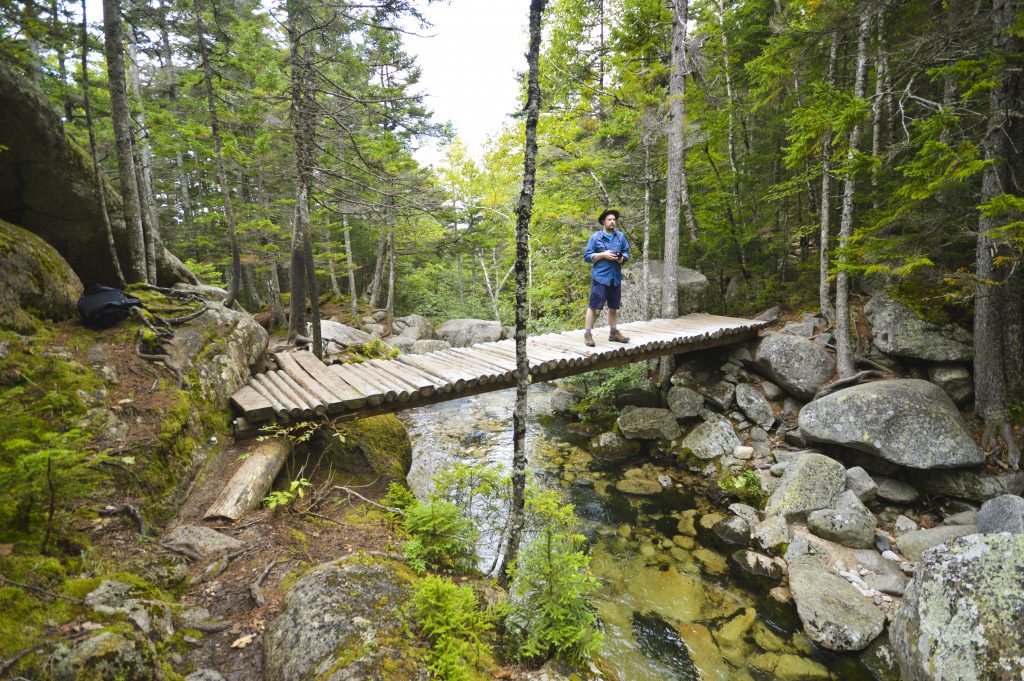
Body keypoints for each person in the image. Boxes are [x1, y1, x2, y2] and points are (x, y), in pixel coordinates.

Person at [583, 209, 630, 347]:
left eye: (614, 219)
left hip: (615, 278)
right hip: (600, 278)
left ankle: (613, 333)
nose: (612, 222)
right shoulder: (595, 237)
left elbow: (626, 252)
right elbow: (587, 256)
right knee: (593, 307)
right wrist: (603, 255)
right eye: (609, 219)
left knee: (613, 307)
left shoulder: (620, 237)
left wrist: (622, 259)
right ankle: (588, 334)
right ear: (603, 221)